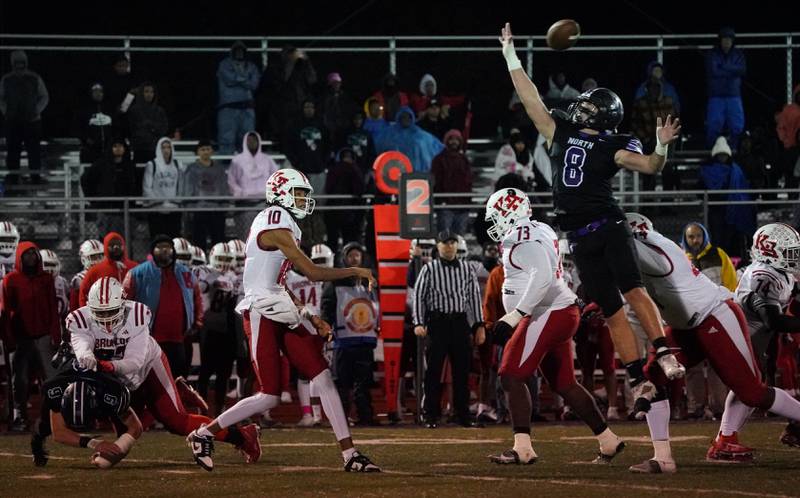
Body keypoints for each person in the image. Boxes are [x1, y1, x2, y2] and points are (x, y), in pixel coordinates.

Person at [498, 22, 684, 408]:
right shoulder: (559, 131)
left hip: (609, 225)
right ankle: (638, 379)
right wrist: (511, 56)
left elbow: (650, 166)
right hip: (579, 235)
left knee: (633, 290)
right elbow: (530, 98)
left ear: (601, 116)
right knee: (613, 310)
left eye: (588, 106)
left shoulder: (611, 145)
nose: (579, 107)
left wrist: (661, 147)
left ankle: (664, 352)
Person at [186, 168, 380, 472]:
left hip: (278, 304)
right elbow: (312, 272)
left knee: (322, 375)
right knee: (269, 396)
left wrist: (307, 314)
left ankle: (350, 454)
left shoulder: (282, 222)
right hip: (261, 309)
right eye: (299, 193)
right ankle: (202, 434)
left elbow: (279, 279)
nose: (304, 200)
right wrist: (356, 271)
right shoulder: (275, 222)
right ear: (280, 193)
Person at [623, 216, 800, 472]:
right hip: (690, 322)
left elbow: (774, 319)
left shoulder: (656, 252)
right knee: (652, 375)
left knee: (751, 391)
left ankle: (727, 439)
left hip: (713, 316)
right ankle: (663, 457)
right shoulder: (764, 275)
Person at [484, 188, 624, 464]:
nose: (493, 224)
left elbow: (543, 276)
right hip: (558, 310)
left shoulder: (521, 239)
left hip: (546, 312)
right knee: (564, 383)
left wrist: (514, 315)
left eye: (496, 216)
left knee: (510, 374)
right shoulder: (541, 229)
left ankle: (523, 448)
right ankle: (608, 440)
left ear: (509, 213)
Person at [70, 277, 260, 463]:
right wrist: (85, 357)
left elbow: (135, 362)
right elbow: (81, 345)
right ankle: (176, 395)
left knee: (176, 422)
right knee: (123, 431)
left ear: (123, 304)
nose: (106, 321)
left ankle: (243, 436)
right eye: (100, 313)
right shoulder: (79, 320)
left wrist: (105, 366)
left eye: (111, 311)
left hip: (149, 367)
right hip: (118, 378)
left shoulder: (136, 315)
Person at [412, 230, 485, 427]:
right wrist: (419, 322)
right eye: (446, 243)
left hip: (460, 323)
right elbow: (419, 297)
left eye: (452, 242)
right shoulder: (429, 269)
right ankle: (430, 415)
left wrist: (478, 325)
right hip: (438, 323)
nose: (449, 246)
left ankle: (462, 414)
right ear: (438, 246)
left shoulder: (467, 268)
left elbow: (474, 298)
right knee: (433, 372)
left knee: (462, 371)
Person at [31, 363, 142, 469]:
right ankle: (36, 443)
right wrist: (94, 444)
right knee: (44, 426)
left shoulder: (110, 393)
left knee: (122, 427)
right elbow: (59, 433)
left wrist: (119, 447)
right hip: (68, 370)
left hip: (103, 376)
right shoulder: (56, 390)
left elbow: (135, 427)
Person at [122, 235, 203, 379]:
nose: (164, 251)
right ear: (153, 251)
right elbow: (124, 301)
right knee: (151, 378)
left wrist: (197, 321)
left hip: (179, 338)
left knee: (179, 377)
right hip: (149, 338)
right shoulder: (138, 273)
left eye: (167, 247)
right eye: (160, 248)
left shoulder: (185, 273)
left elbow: (196, 298)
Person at [1, 241, 60, 431]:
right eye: (26, 255)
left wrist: (55, 335)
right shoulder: (11, 280)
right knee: (20, 381)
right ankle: (19, 417)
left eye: (34, 254)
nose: (31, 258)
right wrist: (9, 338)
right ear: (19, 257)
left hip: (42, 336)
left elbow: (53, 310)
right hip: (21, 339)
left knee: (51, 378)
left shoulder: (46, 279)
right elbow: (6, 311)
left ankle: (52, 418)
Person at [322, 242, 380, 426]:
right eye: (350, 256)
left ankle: (366, 416)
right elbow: (327, 307)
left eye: (357, 255)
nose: (354, 259)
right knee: (342, 383)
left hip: (365, 340)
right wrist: (326, 328)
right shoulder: (334, 282)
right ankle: (341, 418)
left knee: (364, 383)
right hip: (343, 340)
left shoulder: (369, 282)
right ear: (344, 259)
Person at [290, 243, 333, 427]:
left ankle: (314, 414)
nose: (320, 265)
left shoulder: (293, 279)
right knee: (311, 372)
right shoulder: (327, 280)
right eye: (317, 261)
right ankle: (312, 414)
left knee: (316, 372)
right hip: (310, 327)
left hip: (312, 327)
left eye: (322, 261)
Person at [196, 242, 237, 416]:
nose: (223, 263)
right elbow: (199, 288)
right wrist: (212, 280)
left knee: (223, 374)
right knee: (205, 372)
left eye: (227, 259)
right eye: (220, 259)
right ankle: (202, 411)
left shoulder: (233, 277)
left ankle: (220, 412)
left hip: (226, 329)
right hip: (207, 327)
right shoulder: (203, 271)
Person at [0, 50, 48, 185]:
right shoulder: (6, 79)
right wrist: (6, 111)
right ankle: (13, 176)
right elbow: (1, 98)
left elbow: (44, 96)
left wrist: (36, 111)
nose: (19, 65)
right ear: (13, 64)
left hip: (32, 122)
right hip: (13, 121)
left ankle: (35, 176)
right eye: (17, 62)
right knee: (13, 150)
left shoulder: (34, 77)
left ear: (25, 63)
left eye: (21, 62)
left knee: (34, 150)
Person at [80, 136, 138, 235]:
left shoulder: (129, 165)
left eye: (120, 146)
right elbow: (85, 180)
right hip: (106, 210)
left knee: (126, 240)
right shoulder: (101, 164)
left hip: (125, 210)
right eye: (115, 146)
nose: (118, 148)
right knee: (107, 239)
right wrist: (93, 199)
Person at [705, 27, 746, 149]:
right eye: (724, 39)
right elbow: (713, 71)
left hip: (734, 96)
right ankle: (712, 152)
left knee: (737, 126)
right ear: (720, 40)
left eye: (729, 39)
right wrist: (731, 70)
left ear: (733, 41)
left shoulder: (738, 54)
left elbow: (742, 70)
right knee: (713, 127)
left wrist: (723, 67)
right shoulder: (712, 54)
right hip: (716, 96)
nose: (727, 42)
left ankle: (734, 151)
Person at [216, 41, 260, 154]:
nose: (239, 52)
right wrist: (246, 80)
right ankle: (226, 167)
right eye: (237, 50)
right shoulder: (224, 64)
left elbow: (254, 84)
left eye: (242, 50)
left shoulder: (252, 66)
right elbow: (229, 79)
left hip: (247, 108)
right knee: (226, 140)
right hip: (228, 108)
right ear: (233, 52)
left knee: (248, 140)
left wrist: (238, 79)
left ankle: (248, 168)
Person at [183, 139, 229, 248]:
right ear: (198, 152)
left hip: (217, 210)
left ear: (212, 151)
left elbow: (224, 188)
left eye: (208, 149)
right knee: (199, 241)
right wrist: (189, 207)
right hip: (198, 209)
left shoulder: (219, 168)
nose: (205, 152)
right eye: (202, 149)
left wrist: (224, 206)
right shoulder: (191, 169)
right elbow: (187, 189)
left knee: (218, 242)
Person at [374, 106, 444, 173]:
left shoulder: (420, 134)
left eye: (408, 117)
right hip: (393, 174)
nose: (406, 119)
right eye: (403, 117)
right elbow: (376, 148)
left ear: (412, 118)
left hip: (417, 174)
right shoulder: (388, 134)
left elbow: (436, 147)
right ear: (398, 118)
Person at [79, 232, 137, 307]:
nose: (116, 247)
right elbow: (83, 294)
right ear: (105, 247)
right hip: (104, 314)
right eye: (111, 245)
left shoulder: (134, 268)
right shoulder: (95, 270)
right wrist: (86, 315)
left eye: (119, 244)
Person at [432, 129, 473, 234]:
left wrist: (467, 202)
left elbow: (468, 182)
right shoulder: (438, 159)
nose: (454, 142)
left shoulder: (464, 160)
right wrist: (441, 201)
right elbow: (436, 181)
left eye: (457, 139)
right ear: (446, 141)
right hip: (445, 205)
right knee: (444, 238)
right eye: (451, 139)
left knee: (459, 239)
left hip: (462, 206)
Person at [142, 137, 184, 238]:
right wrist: (158, 201)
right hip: (156, 210)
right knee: (157, 239)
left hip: (174, 210)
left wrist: (176, 201)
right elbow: (147, 187)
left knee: (174, 240)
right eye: (163, 147)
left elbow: (181, 185)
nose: (166, 150)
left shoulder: (178, 164)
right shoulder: (152, 165)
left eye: (168, 147)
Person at [128, 81, 169, 164]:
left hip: (155, 149)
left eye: (151, 92)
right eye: (146, 91)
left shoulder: (159, 110)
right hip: (138, 149)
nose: (149, 94)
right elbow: (130, 129)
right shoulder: (134, 110)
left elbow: (164, 129)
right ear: (141, 93)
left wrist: (150, 125)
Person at [74, 82, 114, 164]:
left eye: (100, 91)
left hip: (108, 151)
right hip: (89, 151)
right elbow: (76, 128)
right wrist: (86, 139)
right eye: (95, 91)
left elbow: (116, 127)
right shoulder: (83, 110)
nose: (98, 94)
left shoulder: (110, 109)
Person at [70, 239, 104, 312]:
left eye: (100, 256)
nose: (98, 260)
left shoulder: (106, 272)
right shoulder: (79, 279)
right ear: (83, 260)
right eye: (93, 257)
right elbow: (74, 307)